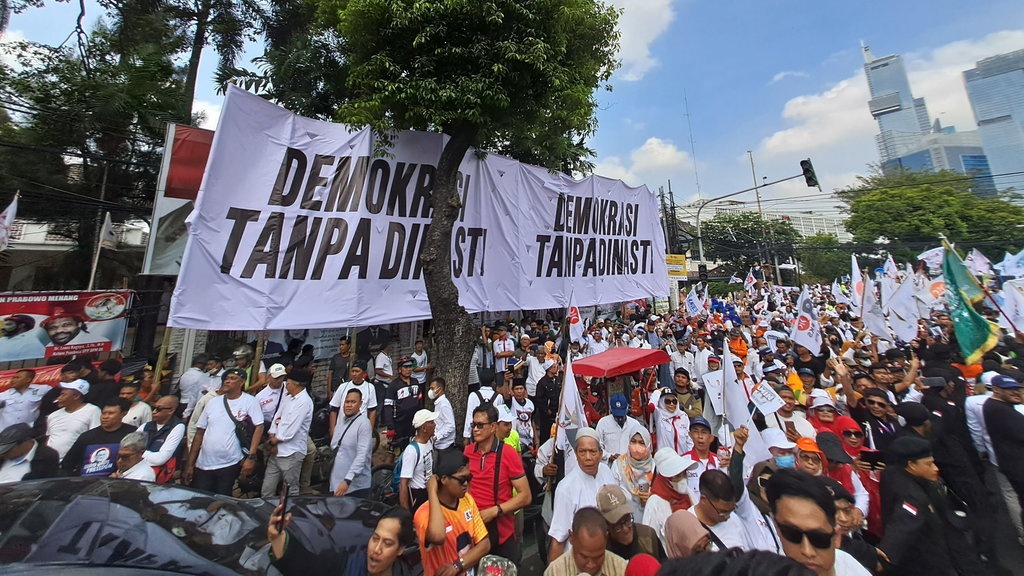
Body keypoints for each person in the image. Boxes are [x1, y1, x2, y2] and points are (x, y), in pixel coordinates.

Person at [877, 436, 986, 576]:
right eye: (929, 464)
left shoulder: (890, 474)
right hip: (928, 561)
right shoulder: (913, 496)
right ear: (911, 465)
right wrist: (883, 557)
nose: (935, 468)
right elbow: (903, 526)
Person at [766, 468, 870, 576]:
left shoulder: (850, 567)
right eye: (792, 534)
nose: (807, 551)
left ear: (836, 536)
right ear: (777, 528)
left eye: (819, 539)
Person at [269, 504, 420, 576]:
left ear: (400, 549)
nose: (376, 549)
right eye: (375, 538)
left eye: (387, 543)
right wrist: (277, 538)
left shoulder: (407, 573)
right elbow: (305, 565)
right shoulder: (346, 564)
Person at [465, 404, 531, 562]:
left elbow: (525, 496)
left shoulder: (508, 453)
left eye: (480, 425)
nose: (475, 429)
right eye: (474, 425)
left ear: (493, 427)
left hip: (501, 534)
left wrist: (496, 510)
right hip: (473, 532)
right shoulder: (467, 452)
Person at [185, 368, 265, 495]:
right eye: (226, 378)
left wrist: (251, 457)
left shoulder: (250, 401)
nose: (227, 381)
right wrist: (190, 464)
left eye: (233, 379)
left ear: (241, 383)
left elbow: (259, 427)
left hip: (230, 462)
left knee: (222, 500)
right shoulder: (212, 402)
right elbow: (199, 432)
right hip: (203, 463)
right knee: (201, 498)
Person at [415, 452, 492, 576]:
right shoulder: (423, 513)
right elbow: (438, 537)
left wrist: (457, 565)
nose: (466, 484)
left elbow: (484, 544)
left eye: (468, 478)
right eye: (462, 480)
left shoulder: (467, 500)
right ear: (444, 479)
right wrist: (432, 492)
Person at [548, 427, 617, 561]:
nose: (588, 458)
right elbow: (558, 538)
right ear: (575, 453)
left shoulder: (606, 472)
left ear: (601, 453)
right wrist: (553, 569)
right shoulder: (566, 488)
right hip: (580, 560)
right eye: (582, 452)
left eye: (592, 451)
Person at [982, 373, 1024, 539]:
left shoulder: (997, 405)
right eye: (1009, 390)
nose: (1015, 392)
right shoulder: (999, 409)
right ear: (996, 390)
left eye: (1017, 389)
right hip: (1018, 467)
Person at [261, 371, 314, 498]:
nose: (286, 385)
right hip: (276, 452)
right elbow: (277, 417)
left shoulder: (304, 402)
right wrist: (272, 434)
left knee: (291, 490)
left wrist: (273, 441)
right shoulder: (288, 398)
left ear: (296, 384)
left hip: (292, 452)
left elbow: (291, 429)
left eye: (288, 383)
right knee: (267, 489)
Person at [61, 398, 136, 476]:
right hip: (86, 481)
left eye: (111, 413)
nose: (105, 417)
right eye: (103, 413)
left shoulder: (132, 434)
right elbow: (67, 464)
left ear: (123, 414)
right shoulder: (87, 436)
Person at [544, 506, 628, 576]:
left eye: (598, 557)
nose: (591, 565)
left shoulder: (621, 569)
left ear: (606, 538)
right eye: (584, 557)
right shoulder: (554, 572)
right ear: (571, 538)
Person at [643, 447, 699, 548]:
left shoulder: (688, 493)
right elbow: (649, 541)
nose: (682, 478)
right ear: (666, 479)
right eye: (677, 476)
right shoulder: (654, 503)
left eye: (684, 473)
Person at [597, 484, 666, 561]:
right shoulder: (602, 551)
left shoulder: (648, 536)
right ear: (607, 526)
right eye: (617, 526)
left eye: (627, 519)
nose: (626, 529)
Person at [689, 470, 750, 551]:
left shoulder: (734, 519)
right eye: (722, 512)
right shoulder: (688, 527)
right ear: (704, 500)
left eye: (731, 510)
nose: (727, 517)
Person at [329, 388, 373, 497]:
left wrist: (347, 480)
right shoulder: (341, 422)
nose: (349, 405)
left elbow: (362, 455)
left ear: (360, 404)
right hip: (336, 484)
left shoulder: (364, 424)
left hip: (355, 487)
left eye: (353, 402)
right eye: (347, 402)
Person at [45, 379, 102, 463]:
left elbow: (95, 437)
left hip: (75, 462)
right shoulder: (53, 415)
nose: (59, 398)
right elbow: (49, 437)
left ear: (76, 396)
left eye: (63, 394)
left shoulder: (93, 411)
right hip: (50, 462)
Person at [610, 429, 656, 519]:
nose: (637, 447)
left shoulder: (654, 466)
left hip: (648, 517)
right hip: (625, 517)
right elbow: (613, 493)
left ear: (648, 445)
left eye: (641, 443)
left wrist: (651, 496)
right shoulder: (619, 464)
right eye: (633, 441)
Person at [142, 395, 186, 483]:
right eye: (153, 408)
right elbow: (129, 449)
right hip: (141, 473)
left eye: (159, 409)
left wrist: (139, 455)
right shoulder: (146, 426)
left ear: (171, 410)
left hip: (161, 477)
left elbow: (160, 459)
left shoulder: (178, 427)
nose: (154, 412)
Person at [400, 409, 437, 511]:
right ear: (424, 428)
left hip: (429, 492)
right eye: (431, 422)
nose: (435, 425)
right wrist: (405, 513)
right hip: (418, 496)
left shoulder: (429, 442)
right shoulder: (411, 451)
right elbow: (403, 483)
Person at [596, 394, 647, 463]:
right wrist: (608, 456)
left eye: (621, 415)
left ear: (627, 408)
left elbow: (640, 445)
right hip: (609, 465)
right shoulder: (603, 423)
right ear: (610, 409)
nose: (619, 418)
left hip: (630, 464)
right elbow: (597, 445)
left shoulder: (634, 424)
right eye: (617, 415)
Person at [329, 364, 378, 431]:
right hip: (342, 427)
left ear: (364, 373)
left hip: (360, 428)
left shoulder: (370, 387)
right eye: (353, 371)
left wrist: (370, 430)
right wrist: (332, 430)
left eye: (357, 371)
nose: (354, 374)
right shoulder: (343, 387)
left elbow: (372, 411)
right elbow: (334, 409)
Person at [385, 357, 422, 443]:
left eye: (410, 367)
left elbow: (420, 401)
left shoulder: (415, 382)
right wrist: (390, 427)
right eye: (405, 367)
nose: (408, 369)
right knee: (398, 446)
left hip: (413, 422)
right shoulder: (393, 385)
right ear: (399, 370)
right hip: (399, 423)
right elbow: (388, 407)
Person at [654, 390, 692, 455]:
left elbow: (689, 439)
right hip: (665, 457)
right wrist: (658, 391)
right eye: (668, 401)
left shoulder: (683, 416)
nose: (672, 404)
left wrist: (688, 455)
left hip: (682, 457)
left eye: (674, 401)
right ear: (662, 402)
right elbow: (651, 405)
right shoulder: (658, 415)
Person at [41, 311, 109, 348]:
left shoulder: (98, 341)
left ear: (79, 324)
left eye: (66, 325)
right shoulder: (47, 347)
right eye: (52, 328)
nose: (59, 330)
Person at [427, 377, 456, 451]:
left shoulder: (444, 405)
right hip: (439, 444)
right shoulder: (438, 403)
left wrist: (436, 436)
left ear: (439, 389)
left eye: (432, 388)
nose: (430, 391)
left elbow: (450, 425)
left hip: (444, 446)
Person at [509, 380, 538, 451]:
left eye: (521, 388)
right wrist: (507, 381)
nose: (519, 391)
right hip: (516, 441)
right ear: (513, 391)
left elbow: (532, 421)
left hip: (529, 441)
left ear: (525, 390)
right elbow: (506, 395)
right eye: (516, 389)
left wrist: (536, 439)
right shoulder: (510, 402)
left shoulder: (530, 403)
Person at [179, 354, 209, 419]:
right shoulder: (202, 376)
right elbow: (195, 395)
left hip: (182, 403)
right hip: (192, 406)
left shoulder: (185, 374)